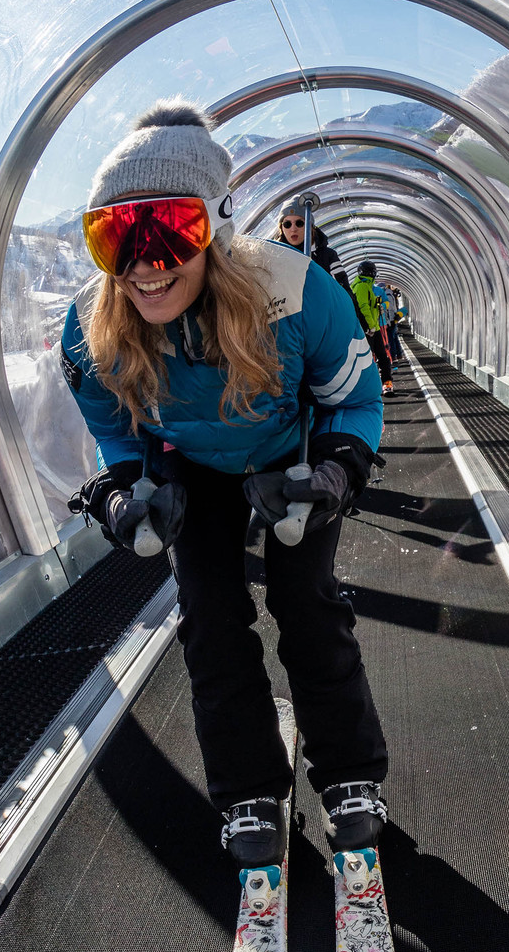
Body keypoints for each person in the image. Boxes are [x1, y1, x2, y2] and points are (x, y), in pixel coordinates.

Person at [59, 102, 388, 868]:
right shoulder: (89, 328)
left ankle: (349, 773)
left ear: (215, 225)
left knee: (307, 603)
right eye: (114, 237)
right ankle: (247, 788)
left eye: (168, 229)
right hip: (196, 467)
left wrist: (336, 471)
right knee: (209, 615)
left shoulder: (295, 292)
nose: (143, 264)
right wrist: (127, 488)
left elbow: (354, 396)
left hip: (291, 456)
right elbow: (114, 425)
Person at [276, 194, 348, 288]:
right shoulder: (276, 257)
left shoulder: (327, 256)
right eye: (287, 224)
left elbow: (344, 290)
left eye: (299, 223)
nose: (293, 229)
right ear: (281, 228)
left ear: (310, 226)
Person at [350, 257, 395, 394]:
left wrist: (379, 305)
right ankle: (371, 387)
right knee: (369, 359)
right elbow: (363, 308)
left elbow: (369, 304)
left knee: (381, 356)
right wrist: (370, 326)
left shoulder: (366, 286)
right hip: (369, 329)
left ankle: (386, 383)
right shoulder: (362, 287)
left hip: (374, 328)